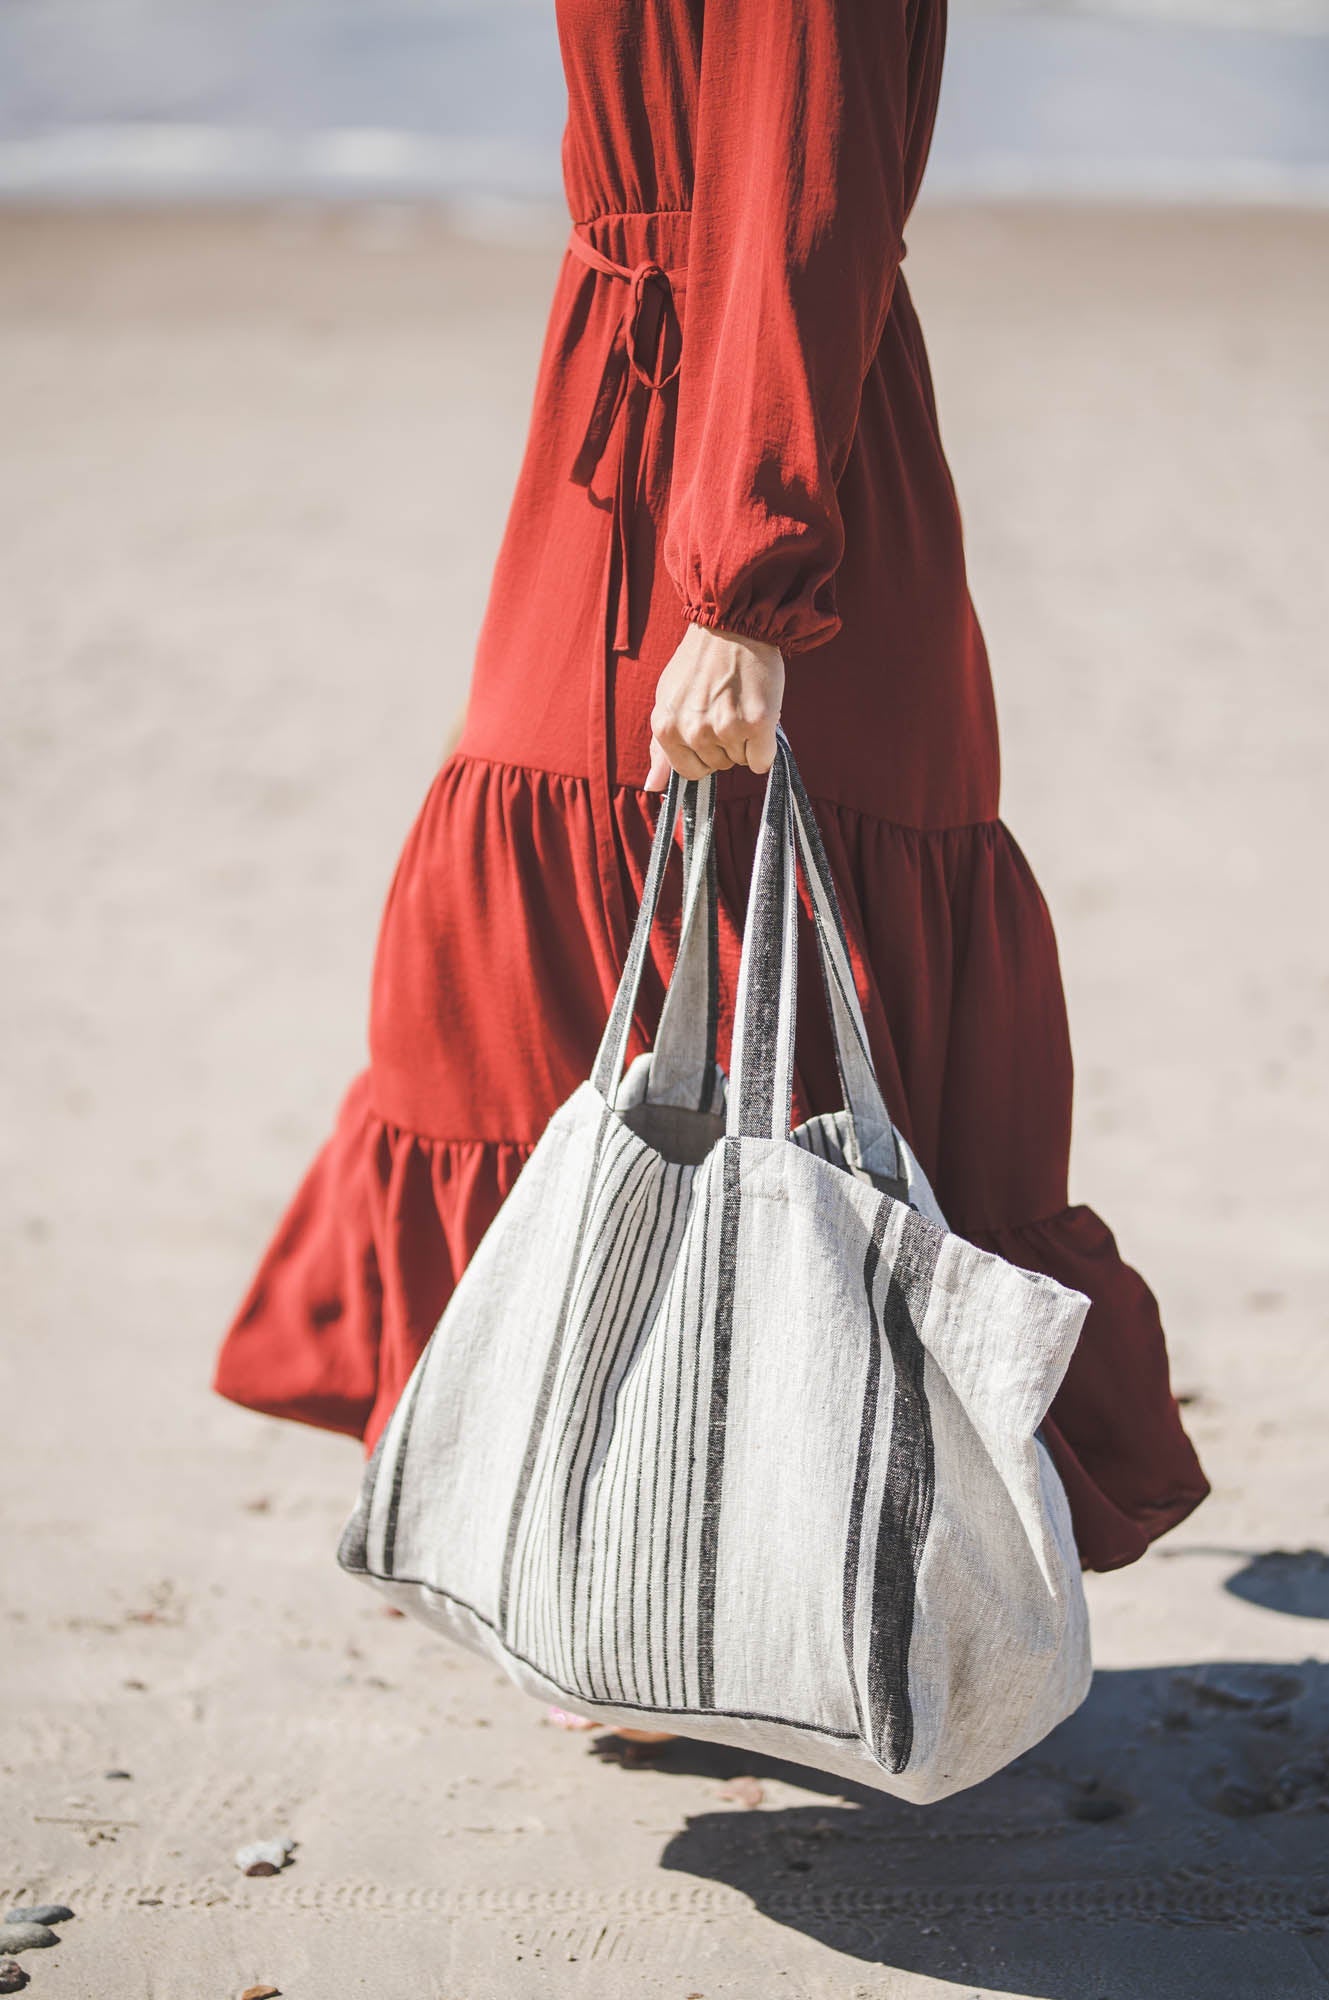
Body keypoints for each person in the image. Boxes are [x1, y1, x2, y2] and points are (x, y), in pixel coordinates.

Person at [213, 0, 1208, 1745]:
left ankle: (771, 1583)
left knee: (736, 1009)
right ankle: (637, 1543)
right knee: (558, 987)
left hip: (738, 469)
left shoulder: (744, 527)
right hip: (646, 417)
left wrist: (742, 587)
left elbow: (793, 198)